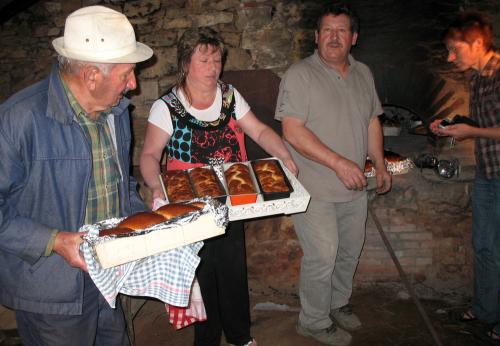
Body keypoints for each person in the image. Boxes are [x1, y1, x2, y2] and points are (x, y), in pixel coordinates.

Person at [0, 5, 153, 345]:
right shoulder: (18, 120)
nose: (134, 84)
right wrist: (54, 240)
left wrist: (146, 222)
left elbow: (119, 183)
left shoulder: (116, 113)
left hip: (108, 278)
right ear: (91, 76)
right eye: (127, 73)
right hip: (51, 293)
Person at [140, 27, 297, 346]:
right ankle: (207, 340)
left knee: (233, 270)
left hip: (230, 199)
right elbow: (150, 154)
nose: (213, 67)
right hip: (190, 205)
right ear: (185, 63)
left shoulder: (229, 95)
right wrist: (157, 186)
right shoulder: (167, 106)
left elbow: (259, 131)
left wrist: (285, 155)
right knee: (203, 274)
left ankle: (241, 337)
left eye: (217, 59)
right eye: (204, 60)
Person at [275, 3, 391, 345]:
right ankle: (312, 320)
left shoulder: (363, 73)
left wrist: (380, 164)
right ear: (316, 36)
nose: (334, 37)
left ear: (354, 38)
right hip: (314, 187)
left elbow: (372, 120)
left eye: (341, 31)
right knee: (323, 255)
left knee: (349, 251)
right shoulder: (299, 75)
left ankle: (337, 304)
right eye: (327, 30)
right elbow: (292, 131)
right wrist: (340, 163)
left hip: (354, 186)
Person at [429, 12, 499, 342]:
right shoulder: (476, 77)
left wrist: (471, 130)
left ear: (477, 43)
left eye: (455, 49)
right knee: (483, 246)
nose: (450, 57)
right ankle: (485, 310)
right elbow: (483, 122)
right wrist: (452, 122)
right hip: (488, 173)